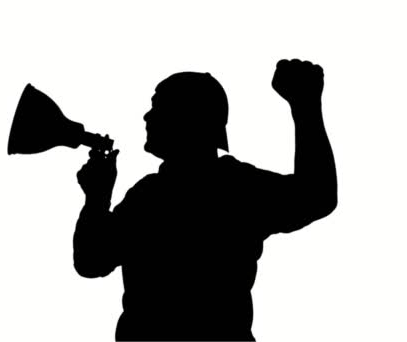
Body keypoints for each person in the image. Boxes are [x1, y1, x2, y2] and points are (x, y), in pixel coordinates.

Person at [74, 59, 337, 341]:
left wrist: (97, 198)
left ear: (188, 118)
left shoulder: (152, 197)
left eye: (159, 105)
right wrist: (305, 105)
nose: (147, 117)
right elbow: (316, 195)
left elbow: (92, 261)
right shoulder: (236, 188)